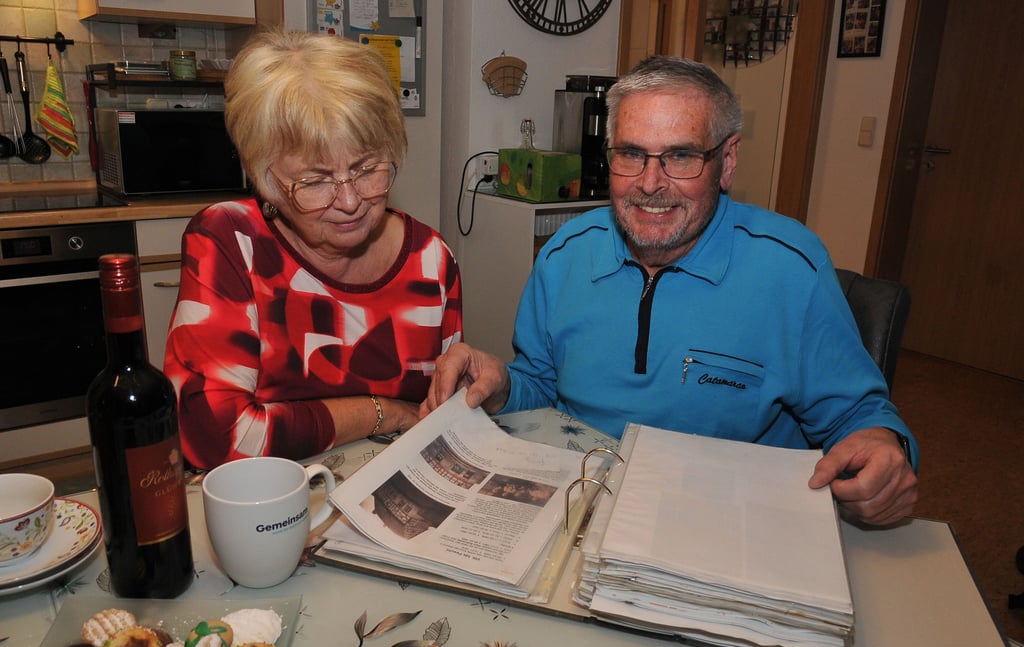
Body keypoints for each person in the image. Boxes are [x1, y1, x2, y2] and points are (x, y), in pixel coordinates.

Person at [423, 55, 917, 526]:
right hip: (576, 501)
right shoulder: (563, 256)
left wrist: (881, 446)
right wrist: (502, 383)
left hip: (727, 519)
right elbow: (542, 386)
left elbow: (860, 416)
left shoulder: (792, 270)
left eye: (681, 156)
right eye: (631, 154)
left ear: (727, 161)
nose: (650, 183)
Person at [164, 29, 462, 470]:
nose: (349, 200)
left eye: (367, 167)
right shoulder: (231, 241)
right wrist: (384, 412)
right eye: (315, 181)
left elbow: (440, 418)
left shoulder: (432, 261)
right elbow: (212, 435)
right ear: (266, 179)